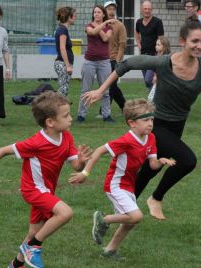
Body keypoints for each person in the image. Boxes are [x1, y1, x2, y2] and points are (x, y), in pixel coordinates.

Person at [83, 20, 201, 220]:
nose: (200, 46)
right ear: (182, 41)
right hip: (155, 124)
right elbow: (126, 65)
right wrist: (100, 89)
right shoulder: (163, 62)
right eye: (195, 41)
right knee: (187, 161)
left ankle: (122, 213)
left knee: (149, 170)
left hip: (177, 125)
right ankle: (155, 198)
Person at [0, 91, 91, 268]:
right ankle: (34, 247)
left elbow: (75, 166)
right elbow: (4, 150)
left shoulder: (66, 136)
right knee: (65, 213)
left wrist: (81, 163)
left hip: (47, 190)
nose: (71, 119)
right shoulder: (36, 142)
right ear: (50, 122)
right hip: (33, 189)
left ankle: (16, 264)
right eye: (65, 116)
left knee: (34, 232)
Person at [69, 99, 175, 259]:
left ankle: (109, 251)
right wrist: (85, 173)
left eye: (152, 119)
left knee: (129, 222)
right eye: (146, 120)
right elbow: (98, 151)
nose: (150, 123)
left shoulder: (151, 138)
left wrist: (161, 162)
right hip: (115, 185)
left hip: (128, 186)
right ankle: (103, 219)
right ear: (132, 123)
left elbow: (152, 165)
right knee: (137, 216)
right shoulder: (126, 140)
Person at [76, 5, 115, 123]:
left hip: (104, 62)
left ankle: (106, 115)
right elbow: (92, 32)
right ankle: (81, 115)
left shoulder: (109, 28)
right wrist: (102, 25)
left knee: (105, 90)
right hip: (89, 62)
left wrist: (101, 25)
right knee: (85, 89)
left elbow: (105, 39)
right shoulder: (88, 26)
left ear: (103, 14)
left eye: (99, 12)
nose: (96, 14)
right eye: (95, 12)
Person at [135, 0, 164, 91]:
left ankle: (154, 96)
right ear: (141, 10)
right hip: (143, 55)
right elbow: (137, 34)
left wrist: (160, 54)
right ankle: (153, 100)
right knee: (147, 82)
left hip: (154, 55)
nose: (147, 11)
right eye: (145, 9)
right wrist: (139, 45)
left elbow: (161, 40)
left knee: (148, 80)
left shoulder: (157, 22)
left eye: (149, 9)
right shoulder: (139, 22)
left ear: (151, 10)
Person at [104, 0, 126, 113]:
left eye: (113, 9)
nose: (111, 11)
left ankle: (103, 112)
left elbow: (123, 44)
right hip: (103, 60)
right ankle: (124, 107)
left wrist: (118, 60)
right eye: (109, 9)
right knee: (113, 86)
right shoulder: (102, 25)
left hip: (115, 60)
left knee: (111, 86)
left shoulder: (120, 25)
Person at [54, 6, 76, 96]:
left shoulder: (63, 29)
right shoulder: (62, 30)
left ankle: (58, 108)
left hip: (63, 63)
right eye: (74, 15)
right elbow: (62, 48)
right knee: (63, 90)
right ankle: (55, 108)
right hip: (62, 63)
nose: (75, 18)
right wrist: (68, 66)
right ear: (69, 17)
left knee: (64, 89)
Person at [147, 37, 171, 101]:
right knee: (151, 98)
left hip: (164, 82)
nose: (156, 46)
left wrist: (156, 76)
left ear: (164, 46)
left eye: (158, 45)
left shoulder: (167, 57)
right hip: (157, 82)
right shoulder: (157, 55)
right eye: (156, 44)